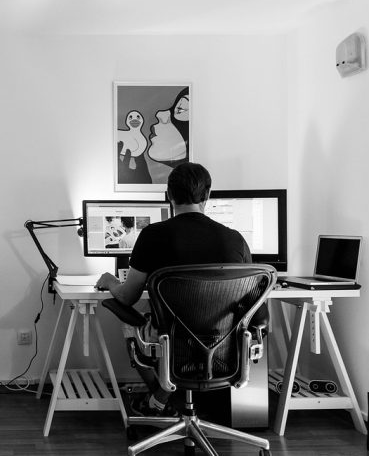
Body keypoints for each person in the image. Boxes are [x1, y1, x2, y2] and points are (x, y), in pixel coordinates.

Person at [95, 162, 254, 415]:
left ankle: (160, 397)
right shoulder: (235, 239)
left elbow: (126, 297)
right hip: (224, 346)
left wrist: (109, 280)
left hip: (172, 342)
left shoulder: (153, 235)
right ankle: (163, 398)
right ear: (208, 195)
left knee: (130, 319)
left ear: (169, 195)